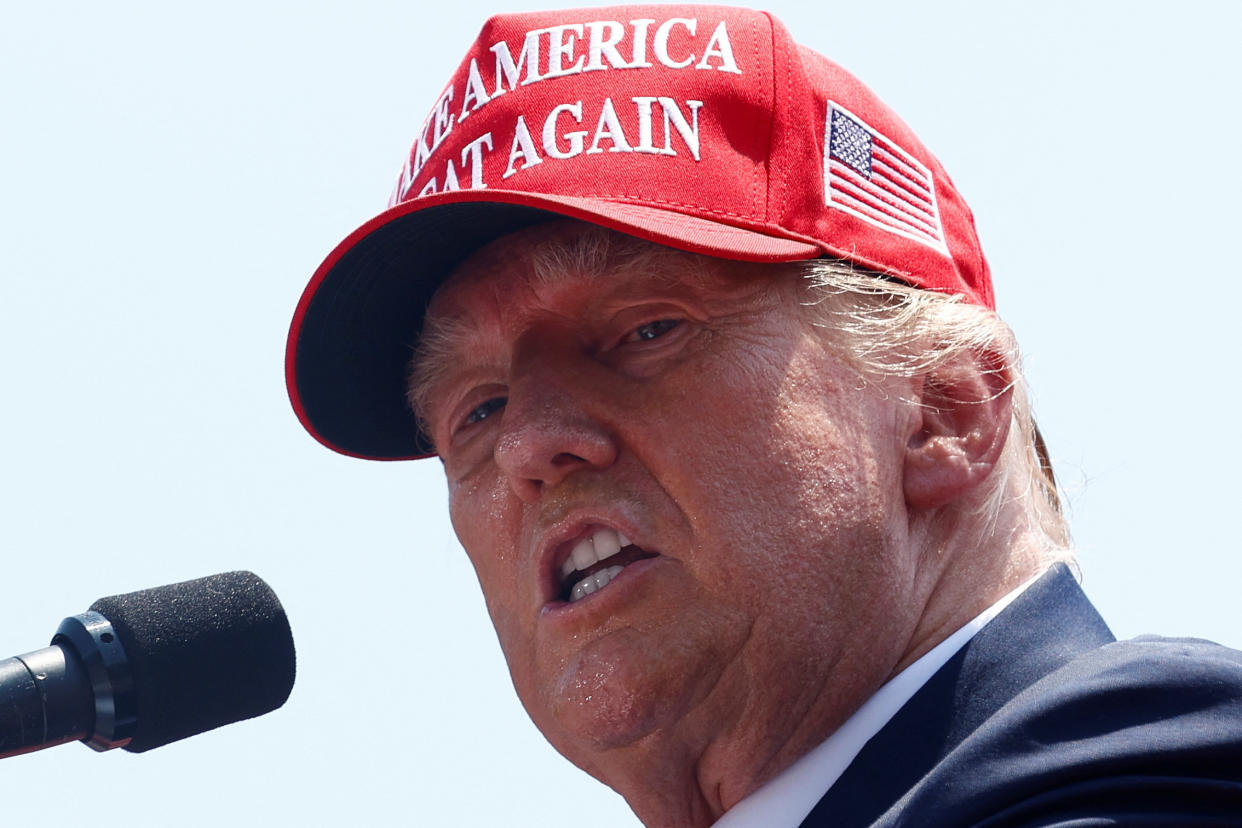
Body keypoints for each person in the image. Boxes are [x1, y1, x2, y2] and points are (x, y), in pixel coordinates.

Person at [285, 5, 1242, 825]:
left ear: (944, 409)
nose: (531, 443)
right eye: (478, 409)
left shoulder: (1149, 788)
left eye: (647, 331)